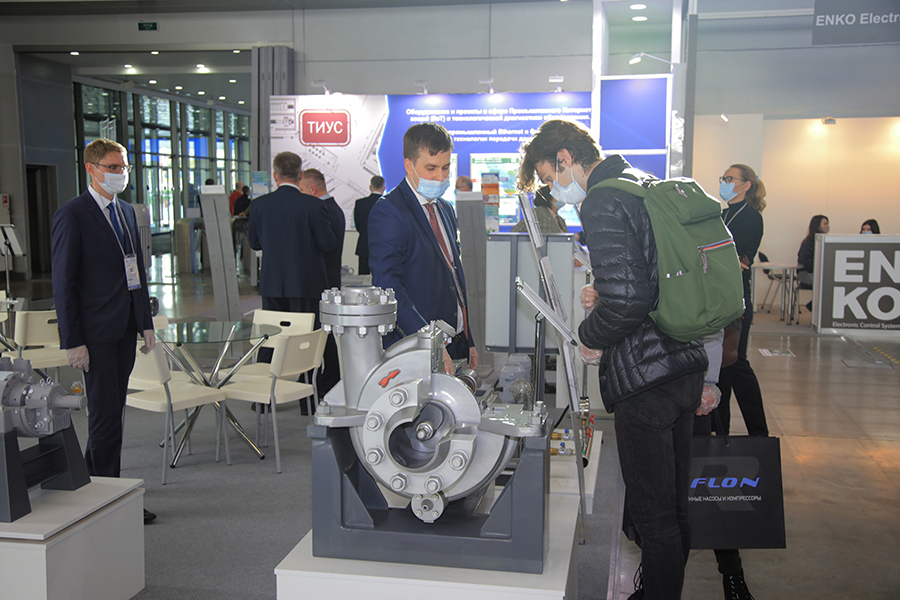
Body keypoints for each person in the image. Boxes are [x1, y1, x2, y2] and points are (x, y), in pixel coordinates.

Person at [519, 119, 707, 600]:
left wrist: (590, 336)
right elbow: (648, 277)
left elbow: (629, 301)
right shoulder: (640, 184)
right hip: (682, 361)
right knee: (675, 507)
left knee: (654, 515)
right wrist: (602, 290)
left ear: (565, 159)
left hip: (647, 377)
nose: (554, 190)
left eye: (551, 177)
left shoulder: (602, 199)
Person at [51, 138, 157, 524]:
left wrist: (145, 322)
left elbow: (136, 269)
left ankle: (90, 486)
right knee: (105, 415)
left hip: (125, 326)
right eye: (112, 168)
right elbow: (64, 283)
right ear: (91, 169)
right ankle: (110, 502)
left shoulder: (126, 211)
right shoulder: (72, 215)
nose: (120, 174)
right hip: (95, 332)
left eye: (123, 167)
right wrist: (73, 340)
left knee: (112, 412)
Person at [368, 123, 478, 374]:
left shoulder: (445, 209)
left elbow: (454, 278)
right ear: (409, 165)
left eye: (446, 167)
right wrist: (427, 340)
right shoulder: (390, 211)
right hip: (418, 345)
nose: (440, 177)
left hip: (454, 342)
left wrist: (469, 339)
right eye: (431, 168)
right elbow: (387, 284)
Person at [716, 164, 768, 438]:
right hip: (716, 296)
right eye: (723, 178)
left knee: (736, 363)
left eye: (729, 179)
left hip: (736, 298)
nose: (724, 183)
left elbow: (740, 259)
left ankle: (759, 433)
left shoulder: (751, 218)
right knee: (720, 366)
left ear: (746, 185)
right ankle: (720, 430)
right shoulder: (721, 214)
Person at [298, 168, 344, 404]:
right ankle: (328, 381)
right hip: (328, 281)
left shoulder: (322, 210)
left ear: (311, 189)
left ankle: (326, 383)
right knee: (325, 335)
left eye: (301, 190)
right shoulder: (332, 208)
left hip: (321, 283)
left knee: (320, 336)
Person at [353, 175, 385, 275]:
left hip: (364, 246)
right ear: (384, 188)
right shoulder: (388, 204)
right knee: (382, 277)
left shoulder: (360, 203)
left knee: (362, 277)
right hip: (383, 247)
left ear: (370, 187)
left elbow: (358, 225)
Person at [798, 214, 829, 287]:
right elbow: (807, 264)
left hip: (817, 273)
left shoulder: (823, 242)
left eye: (827, 224)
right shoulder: (808, 243)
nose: (827, 226)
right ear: (817, 226)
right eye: (824, 224)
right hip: (807, 274)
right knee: (827, 283)